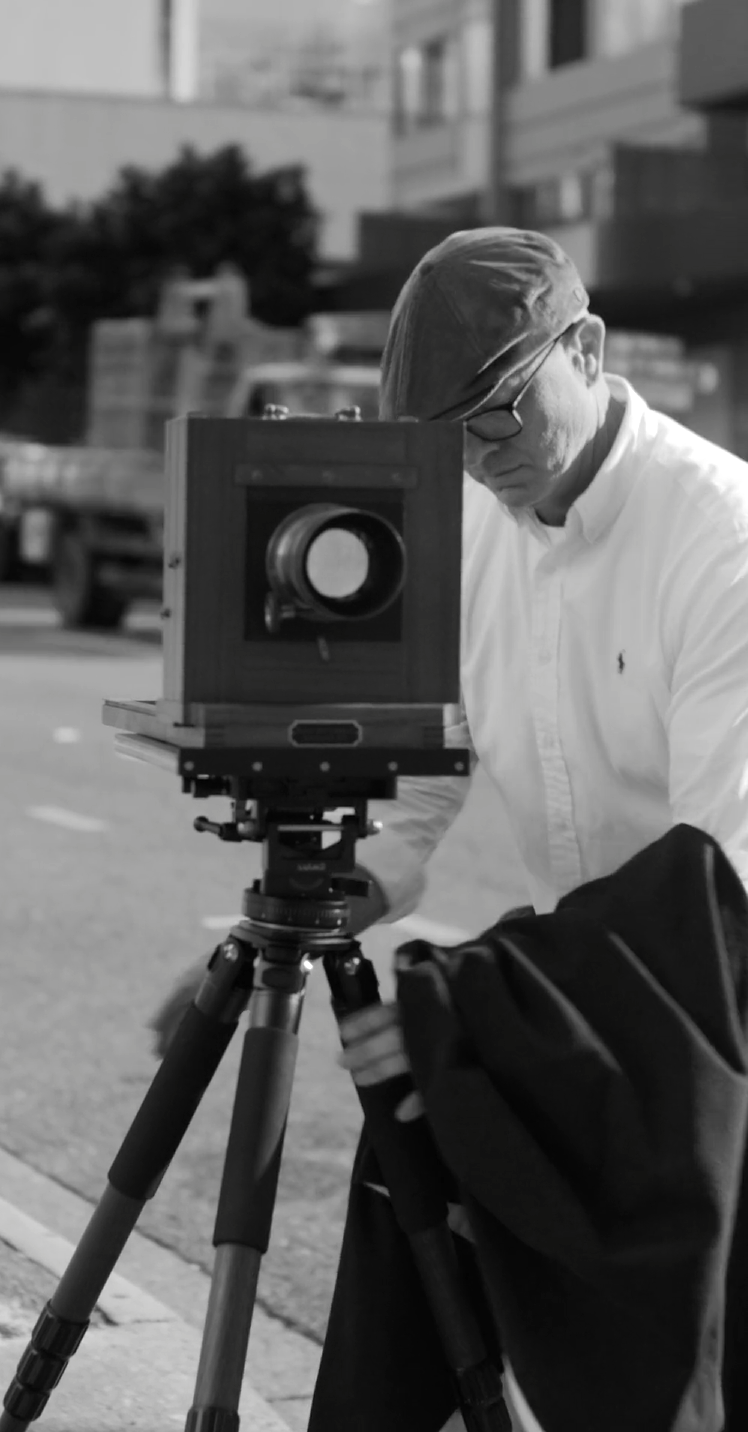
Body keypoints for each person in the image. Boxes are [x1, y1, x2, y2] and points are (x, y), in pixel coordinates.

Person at [150, 227, 748, 1429]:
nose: (479, 459)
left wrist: (473, 998)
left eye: (500, 415)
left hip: (707, 1025)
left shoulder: (719, 538)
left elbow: (721, 880)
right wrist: (327, 900)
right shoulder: (475, 523)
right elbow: (426, 779)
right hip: (590, 1000)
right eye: (448, 439)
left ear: (584, 347)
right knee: (415, 1165)